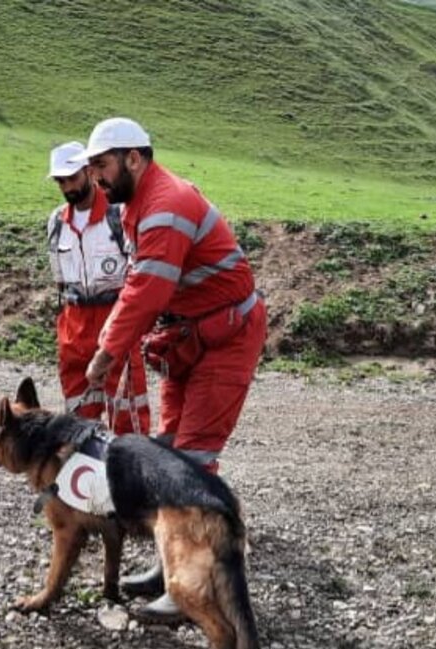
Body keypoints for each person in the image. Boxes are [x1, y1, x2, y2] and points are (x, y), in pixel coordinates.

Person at [79, 117, 267, 620]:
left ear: (133, 158)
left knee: (193, 461)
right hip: (191, 337)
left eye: (102, 165)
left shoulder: (164, 207)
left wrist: (107, 349)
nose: (96, 177)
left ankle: (194, 588)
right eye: (92, 167)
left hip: (224, 340)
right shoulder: (142, 204)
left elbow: (148, 289)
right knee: (173, 455)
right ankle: (171, 568)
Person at [45, 141, 149, 435]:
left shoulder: (118, 215)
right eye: (60, 181)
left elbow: (138, 270)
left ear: (90, 172)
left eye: (72, 178)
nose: (67, 187)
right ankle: (84, 473)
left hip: (114, 316)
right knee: (78, 411)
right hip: (73, 321)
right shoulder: (56, 222)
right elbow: (59, 278)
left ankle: (131, 473)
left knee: (126, 407)